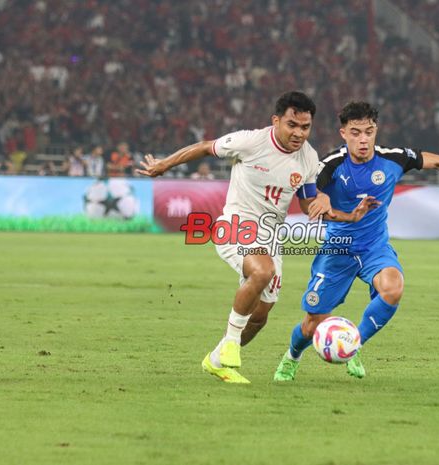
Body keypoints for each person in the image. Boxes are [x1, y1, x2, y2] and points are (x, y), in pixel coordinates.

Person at [273, 101, 439, 381]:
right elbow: (313, 193)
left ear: (376, 130)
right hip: (338, 250)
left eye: (369, 131)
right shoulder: (330, 164)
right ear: (343, 133)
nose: (363, 139)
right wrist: (321, 198)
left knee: (393, 288)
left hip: (374, 248)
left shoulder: (392, 158)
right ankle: (291, 357)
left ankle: (352, 344)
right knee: (312, 324)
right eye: (356, 132)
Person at [136, 91, 344, 384]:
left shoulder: (309, 157)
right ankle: (232, 342)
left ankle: (217, 359)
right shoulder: (251, 141)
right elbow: (206, 147)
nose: (299, 133)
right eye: (292, 125)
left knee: (260, 316)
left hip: (271, 236)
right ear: (276, 121)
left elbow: (308, 202)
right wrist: (164, 165)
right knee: (263, 270)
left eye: (305, 127)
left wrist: (322, 203)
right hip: (237, 225)